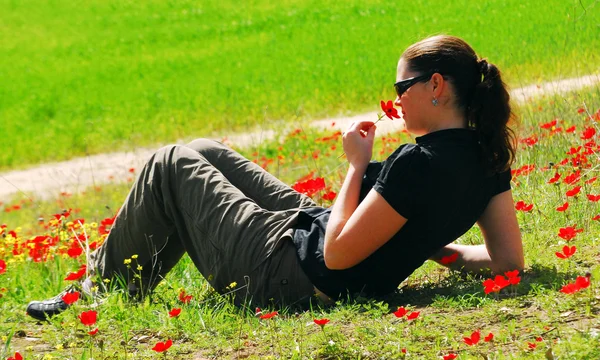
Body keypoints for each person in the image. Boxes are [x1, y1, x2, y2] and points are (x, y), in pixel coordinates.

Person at [26, 35, 524, 321]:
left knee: (172, 161)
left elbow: (338, 254)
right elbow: (507, 259)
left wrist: (356, 165)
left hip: (289, 276)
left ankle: (101, 289)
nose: (396, 98)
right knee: (204, 151)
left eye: (402, 86)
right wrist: (425, 242)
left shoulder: (418, 162)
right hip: (310, 241)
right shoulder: (486, 159)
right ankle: (114, 278)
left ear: (435, 86)